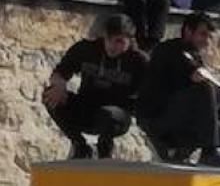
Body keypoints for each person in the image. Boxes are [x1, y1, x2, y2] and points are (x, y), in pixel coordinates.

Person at [134, 12, 220, 165]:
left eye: (209, 37)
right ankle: (209, 151)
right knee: (205, 89)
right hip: (156, 117)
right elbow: (199, 77)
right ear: (188, 31)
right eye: (202, 34)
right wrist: (219, 86)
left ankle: (180, 150)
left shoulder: (193, 54)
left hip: (177, 114)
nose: (206, 41)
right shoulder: (172, 49)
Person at [44, 14, 146, 159]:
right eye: (108, 39)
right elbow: (59, 74)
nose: (112, 46)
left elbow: (152, 92)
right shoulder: (87, 49)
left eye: (119, 41)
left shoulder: (138, 61)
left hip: (116, 116)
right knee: (50, 96)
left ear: (130, 40)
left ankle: (105, 148)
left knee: (110, 114)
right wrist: (59, 87)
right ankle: (79, 145)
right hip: (86, 108)